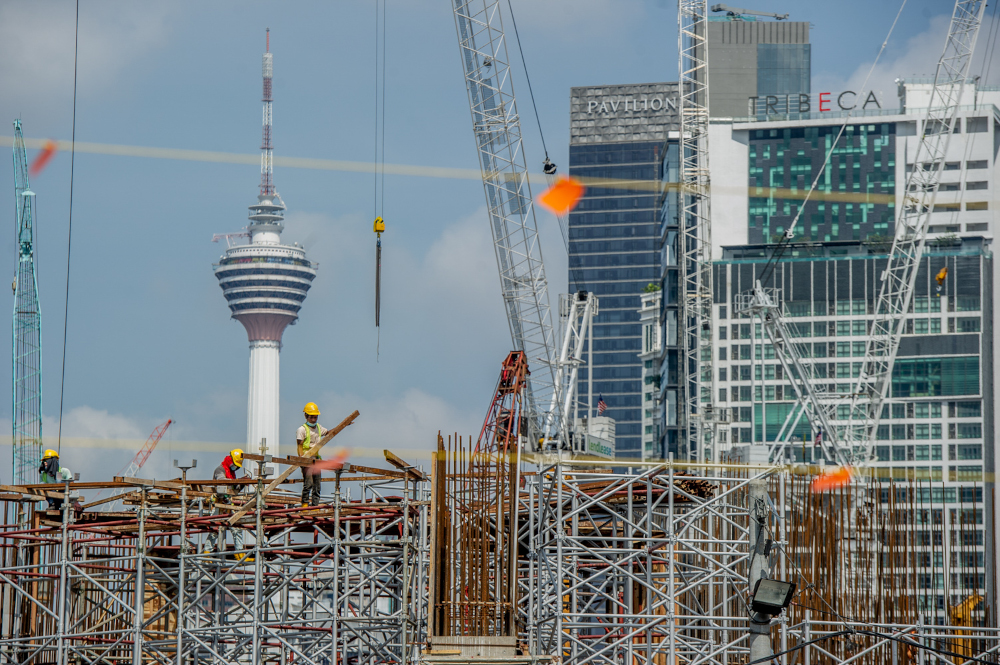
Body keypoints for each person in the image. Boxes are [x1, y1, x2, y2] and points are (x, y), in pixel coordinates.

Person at [205, 448, 247, 555]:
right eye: (235, 464)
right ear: (230, 460)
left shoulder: (232, 473)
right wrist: (238, 481)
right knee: (214, 529)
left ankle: (239, 553)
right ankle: (206, 552)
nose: (236, 467)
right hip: (218, 503)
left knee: (236, 528)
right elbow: (222, 482)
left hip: (228, 504)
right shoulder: (220, 470)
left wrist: (242, 483)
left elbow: (234, 489)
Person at [297, 402, 328, 507]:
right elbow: (300, 446)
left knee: (317, 485)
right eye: (311, 417)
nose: (314, 420)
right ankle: (304, 505)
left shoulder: (319, 428)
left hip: (316, 459)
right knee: (308, 484)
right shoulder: (302, 430)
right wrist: (302, 460)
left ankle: (315, 506)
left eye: (315, 417)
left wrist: (344, 425)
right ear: (306, 416)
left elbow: (328, 433)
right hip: (307, 458)